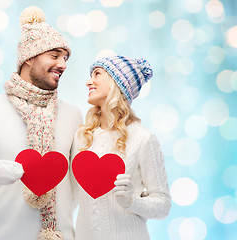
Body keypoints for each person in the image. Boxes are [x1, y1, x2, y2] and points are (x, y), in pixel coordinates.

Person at [0, 6, 82, 240]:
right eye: (54, 56)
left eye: (65, 58)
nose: (63, 65)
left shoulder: (73, 115)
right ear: (29, 58)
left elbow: (81, 190)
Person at [72, 56, 171, 240]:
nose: (88, 82)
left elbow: (163, 205)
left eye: (97, 74)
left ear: (116, 82)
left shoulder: (143, 138)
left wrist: (132, 202)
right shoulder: (82, 137)